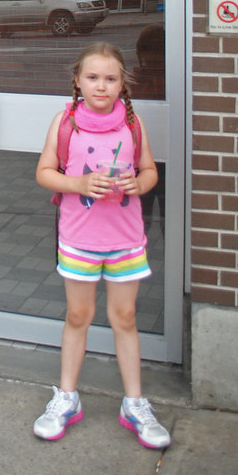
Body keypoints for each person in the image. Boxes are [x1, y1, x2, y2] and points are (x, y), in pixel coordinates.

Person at [32, 42, 171, 449]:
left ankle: (134, 404)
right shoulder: (66, 122)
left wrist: (139, 183)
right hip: (78, 239)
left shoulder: (132, 123)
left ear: (123, 84)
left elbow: (148, 173)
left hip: (126, 240)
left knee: (124, 317)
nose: (101, 86)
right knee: (79, 315)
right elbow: (44, 172)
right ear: (77, 80)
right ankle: (66, 399)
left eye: (111, 79)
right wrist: (76, 183)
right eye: (92, 77)